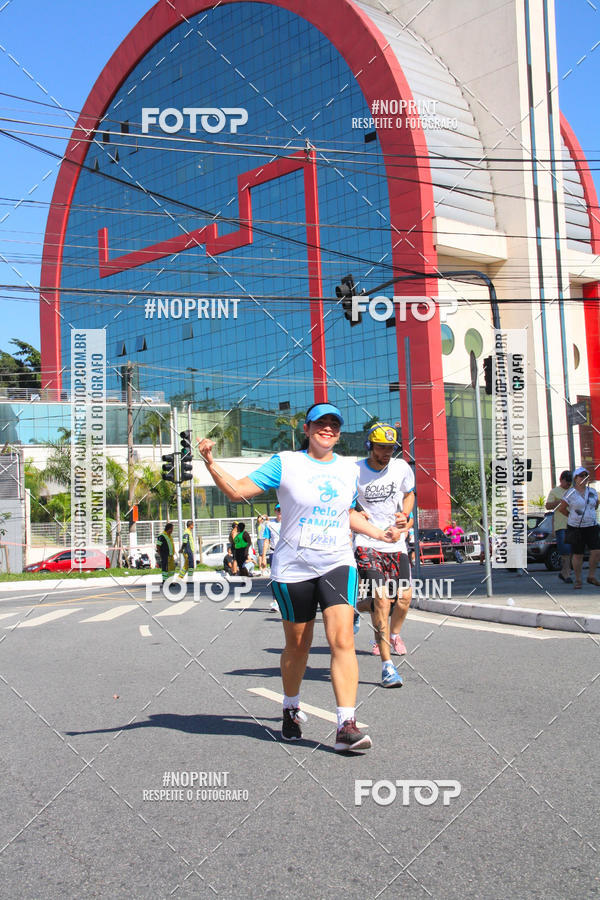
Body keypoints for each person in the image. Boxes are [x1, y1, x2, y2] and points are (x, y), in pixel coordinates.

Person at [197, 402, 398, 753]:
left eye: (334, 424)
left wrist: (380, 533)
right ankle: (291, 707)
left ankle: (345, 724)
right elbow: (237, 490)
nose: (328, 429)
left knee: (342, 641)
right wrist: (210, 462)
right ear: (306, 429)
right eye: (321, 423)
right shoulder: (286, 463)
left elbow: (348, 513)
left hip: (336, 561)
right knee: (298, 646)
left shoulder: (349, 470)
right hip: (293, 567)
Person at [353, 423, 415, 688]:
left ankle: (386, 628)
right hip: (366, 540)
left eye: (391, 448)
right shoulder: (354, 470)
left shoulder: (401, 468)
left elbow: (408, 495)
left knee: (403, 598)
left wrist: (405, 514)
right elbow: (345, 501)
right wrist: (356, 509)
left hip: (394, 540)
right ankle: (387, 667)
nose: (386, 453)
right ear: (370, 446)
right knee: (381, 597)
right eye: (381, 448)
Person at [556, 466, 600, 589]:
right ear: (575, 478)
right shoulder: (570, 493)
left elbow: (595, 505)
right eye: (581, 476)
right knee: (578, 554)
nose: (584, 478)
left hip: (591, 525)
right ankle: (578, 579)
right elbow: (562, 508)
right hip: (576, 527)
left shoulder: (592, 492)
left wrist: (589, 514)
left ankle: (591, 576)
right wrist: (572, 516)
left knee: (596, 552)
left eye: (586, 476)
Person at [545, 470, 573, 582]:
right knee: (565, 551)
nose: (568, 485)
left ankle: (564, 572)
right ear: (561, 480)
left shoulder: (573, 491)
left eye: (570, 483)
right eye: (567, 482)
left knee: (571, 551)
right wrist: (560, 502)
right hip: (561, 525)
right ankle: (567, 574)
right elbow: (547, 506)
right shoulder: (554, 491)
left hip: (573, 524)